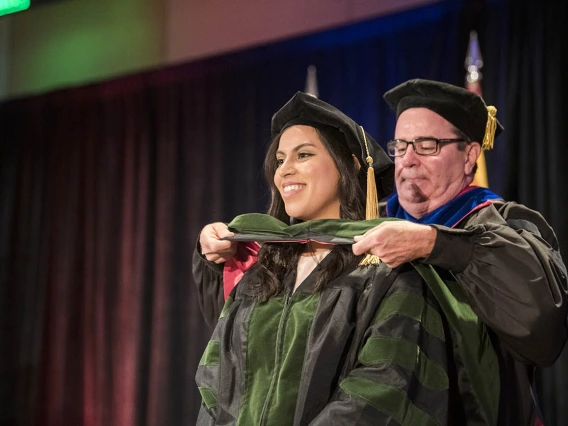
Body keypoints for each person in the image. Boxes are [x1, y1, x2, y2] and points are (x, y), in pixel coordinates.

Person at [194, 92, 501, 425]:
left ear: (350, 165)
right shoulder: (262, 275)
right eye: (280, 160)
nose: (285, 170)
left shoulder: (387, 271)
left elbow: (384, 390)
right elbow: (215, 384)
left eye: (304, 155)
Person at [350, 78, 568, 425]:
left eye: (426, 145)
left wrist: (433, 243)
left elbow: (542, 320)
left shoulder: (505, 223)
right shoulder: (370, 225)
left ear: (470, 156)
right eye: (401, 145)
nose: (407, 160)